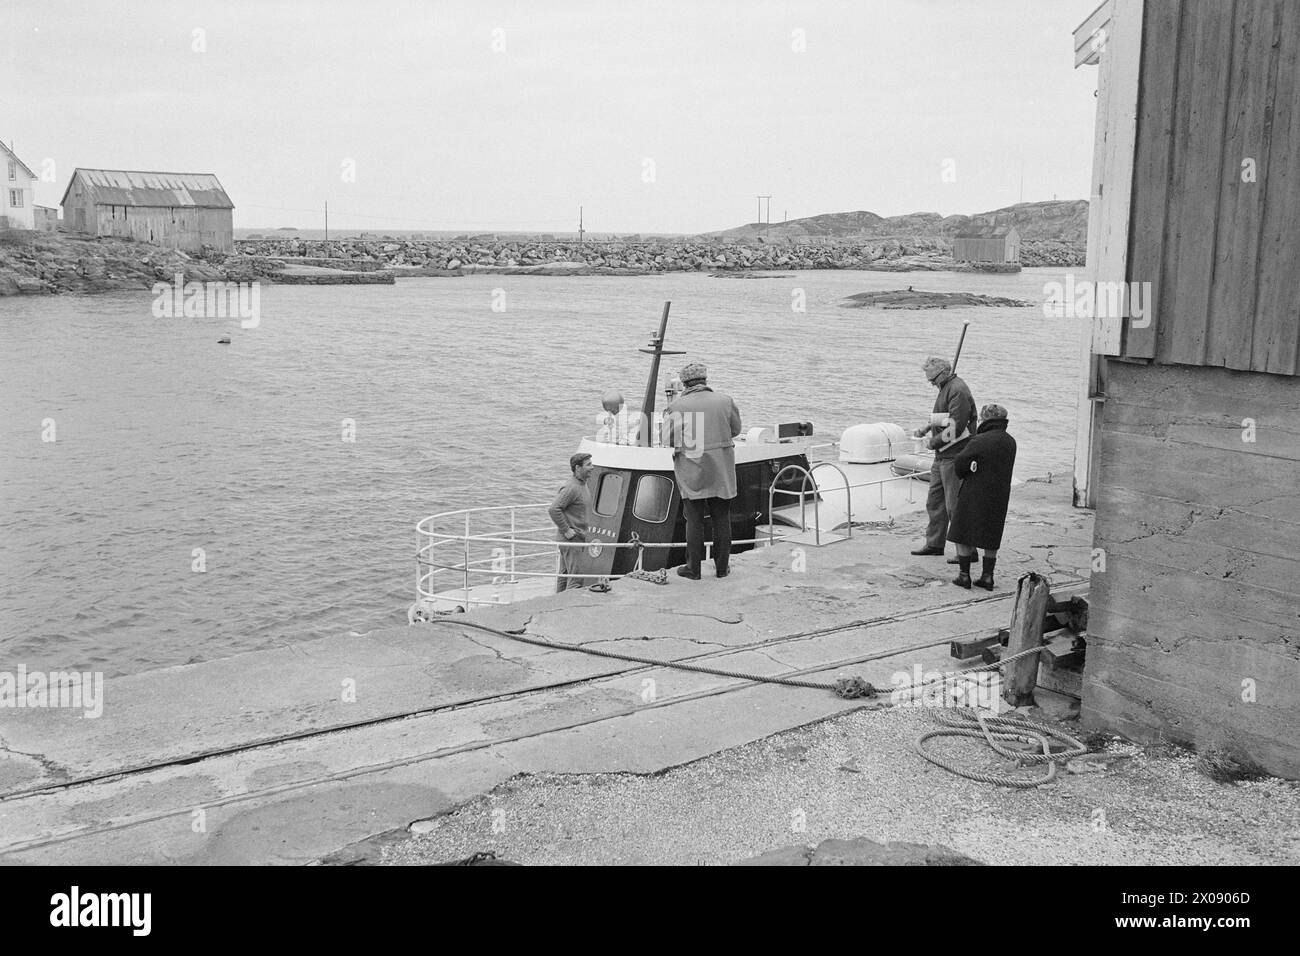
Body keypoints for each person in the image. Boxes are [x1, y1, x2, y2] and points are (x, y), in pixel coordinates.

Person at [661, 361, 742, 579]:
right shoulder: (725, 401)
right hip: (721, 467)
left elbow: (668, 439)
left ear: (685, 383)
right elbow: (736, 430)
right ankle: (722, 569)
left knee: (694, 519)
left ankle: (693, 569)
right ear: (705, 380)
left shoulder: (677, 407)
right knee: (721, 518)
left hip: (692, 468)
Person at [909, 356, 977, 563]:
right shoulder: (945, 387)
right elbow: (943, 416)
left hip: (955, 455)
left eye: (931, 378)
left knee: (954, 505)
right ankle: (935, 543)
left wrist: (933, 441)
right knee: (935, 502)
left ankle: (968, 551)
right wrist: (928, 427)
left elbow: (956, 426)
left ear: (943, 373)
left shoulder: (958, 390)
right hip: (942, 456)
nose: (929, 382)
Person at [947, 404, 1017, 590]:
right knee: (991, 533)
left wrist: (968, 468)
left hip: (975, 491)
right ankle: (987, 577)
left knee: (962, 531)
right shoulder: (1011, 442)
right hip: (1000, 493)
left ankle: (964, 576)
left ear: (985, 420)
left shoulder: (980, 440)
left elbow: (960, 461)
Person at [548, 452, 594, 592]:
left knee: (565, 575)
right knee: (576, 579)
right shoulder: (572, 487)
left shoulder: (582, 484)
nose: (592, 467)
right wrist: (566, 530)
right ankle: (568, 610)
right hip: (571, 540)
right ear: (578, 468)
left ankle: (558, 604)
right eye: (589, 465)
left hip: (575, 539)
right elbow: (554, 509)